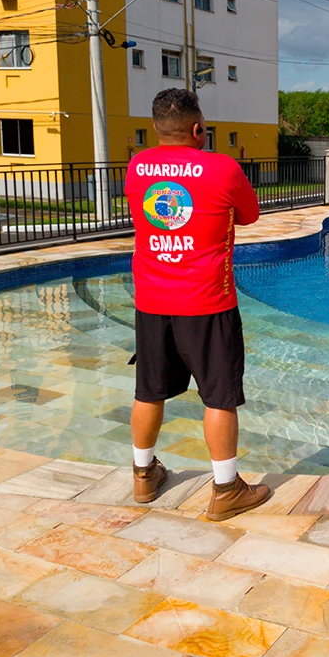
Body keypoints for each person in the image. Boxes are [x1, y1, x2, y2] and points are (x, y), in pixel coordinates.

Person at [124, 88, 270, 520]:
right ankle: (226, 491)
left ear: (155, 129)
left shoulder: (137, 166)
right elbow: (249, 215)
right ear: (197, 128)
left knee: (149, 390)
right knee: (219, 397)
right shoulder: (223, 168)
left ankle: (144, 476)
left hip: (151, 300)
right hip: (207, 301)